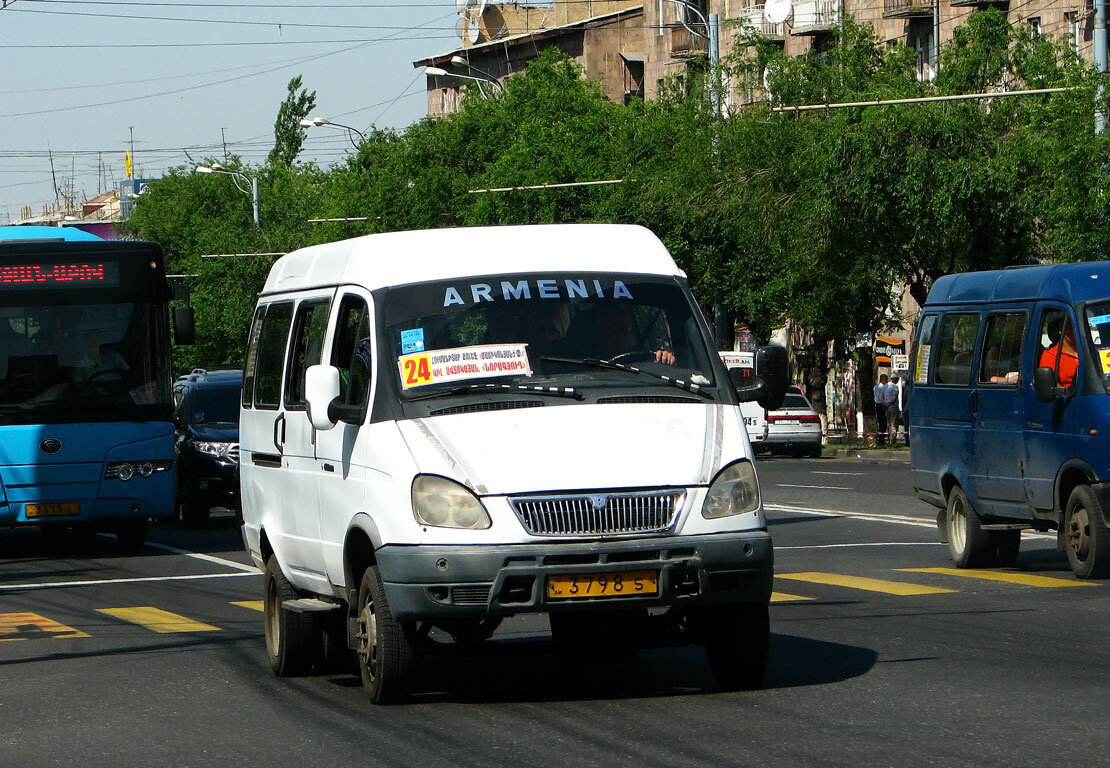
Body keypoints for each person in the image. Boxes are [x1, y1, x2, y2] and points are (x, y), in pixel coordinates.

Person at [593, 303, 675, 365]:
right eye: (612, 329)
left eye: (625, 328)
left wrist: (664, 358)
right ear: (599, 332)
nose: (620, 336)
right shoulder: (585, 365)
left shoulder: (642, 357)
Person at [1039, 316, 1079, 388]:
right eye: (1072, 327)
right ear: (1061, 330)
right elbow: (1050, 385)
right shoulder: (1050, 355)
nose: (1077, 330)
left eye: (1079, 327)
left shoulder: (1089, 350)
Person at [873, 373, 890, 446]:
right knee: (883, 423)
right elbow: (881, 397)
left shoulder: (875, 387)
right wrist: (885, 405)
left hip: (877, 404)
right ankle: (881, 440)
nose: (886, 381)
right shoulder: (882, 387)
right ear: (882, 379)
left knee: (880, 422)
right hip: (881, 405)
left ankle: (881, 439)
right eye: (886, 379)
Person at [886, 375, 902, 445]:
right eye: (897, 379)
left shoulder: (885, 386)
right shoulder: (895, 387)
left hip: (886, 407)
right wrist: (890, 403)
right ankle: (892, 441)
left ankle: (888, 438)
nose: (898, 381)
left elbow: (882, 396)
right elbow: (895, 398)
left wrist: (885, 404)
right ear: (894, 379)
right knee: (894, 424)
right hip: (893, 406)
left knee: (889, 423)